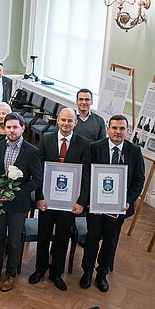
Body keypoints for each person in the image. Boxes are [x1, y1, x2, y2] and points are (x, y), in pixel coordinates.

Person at [79, 115, 146, 292]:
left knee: (110, 241)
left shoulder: (134, 151)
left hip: (119, 208)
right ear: (107, 129)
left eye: (122, 129)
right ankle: (87, 272)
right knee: (92, 239)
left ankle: (102, 273)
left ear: (127, 131)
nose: (118, 132)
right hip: (95, 207)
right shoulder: (94, 148)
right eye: (114, 128)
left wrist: (127, 201)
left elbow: (139, 180)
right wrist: (91, 201)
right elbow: (86, 176)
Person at [0, 113, 42, 292]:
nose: (12, 130)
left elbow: (37, 179)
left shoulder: (31, 151)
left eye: (15, 127)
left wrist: (17, 192)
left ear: (23, 128)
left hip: (18, 204)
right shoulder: (0, 146)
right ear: (4, 128)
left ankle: (11, 274)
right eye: (9, 127)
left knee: (14, 241)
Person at [29, 108, 89, 291]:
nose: (66, 124)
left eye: (70, 121)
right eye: (63, 120)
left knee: (63, 238)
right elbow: (39, 171)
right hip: (48, 198)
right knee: (43, 235)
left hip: (69, 202)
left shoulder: (84, 144)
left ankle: (56, 273)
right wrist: (39, 197)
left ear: (75, 123)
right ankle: (40, 269)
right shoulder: (46, 139)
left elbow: (86, 175)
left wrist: (81, 201)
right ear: (57, 121)